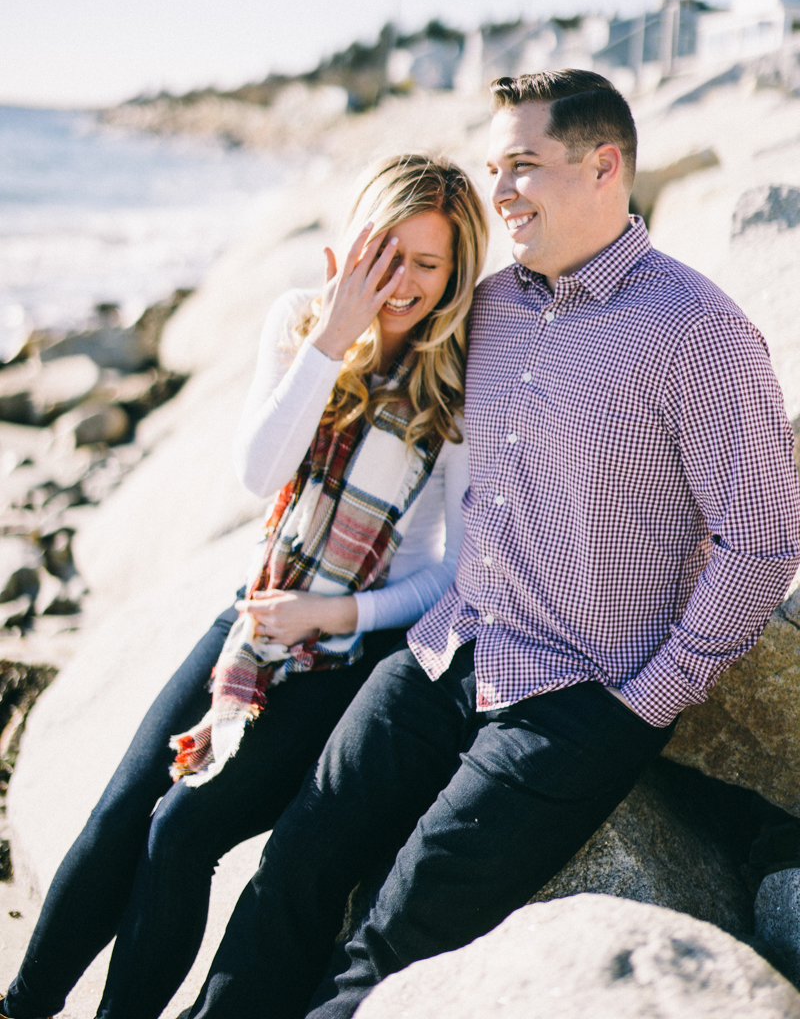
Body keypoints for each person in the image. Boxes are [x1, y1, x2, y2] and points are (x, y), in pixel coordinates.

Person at [180, 69, 800, 1019]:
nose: (499, 189)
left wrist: (648, 700)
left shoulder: (700, 333)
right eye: (493, 165)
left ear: (605, 167)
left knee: (403, 927)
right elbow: (384, 373)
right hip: (449, 649)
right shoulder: (495, 305)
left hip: (582, 695)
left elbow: (762, 542)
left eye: (522, 165)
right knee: (297, 862)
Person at [1, 152, 489, 1019]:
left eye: (427, 263)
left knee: (180, 833)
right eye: (389, 254)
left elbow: (448, 574)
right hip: (260, 617)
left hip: (353, 639)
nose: (404, 283)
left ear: (456, 271)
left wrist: (333, 612)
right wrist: (334, 337)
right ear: (356, 243)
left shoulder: (454, 383)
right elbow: (260, 473)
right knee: (122, 810)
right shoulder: (299, 321)